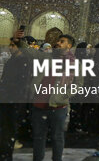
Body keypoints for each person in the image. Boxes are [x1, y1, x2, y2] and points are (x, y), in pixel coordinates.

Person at [16, 30, 76, 161]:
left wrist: (65, 95)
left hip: (58, 106)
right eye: (58, 41)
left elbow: (78, 83)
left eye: (62, 42)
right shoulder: (48, 57)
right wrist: (18, 41)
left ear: (69, 46)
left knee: (57, 138)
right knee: (38, 137)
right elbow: (30, 52)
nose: (58, 43)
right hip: (39, 104)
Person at [0, 37, 30, 161]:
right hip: (8, 99)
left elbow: (20, 83)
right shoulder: (13, 60)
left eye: (13, 45)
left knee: (9, 130)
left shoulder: (23, 61)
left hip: (14, 100)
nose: (10, 47)